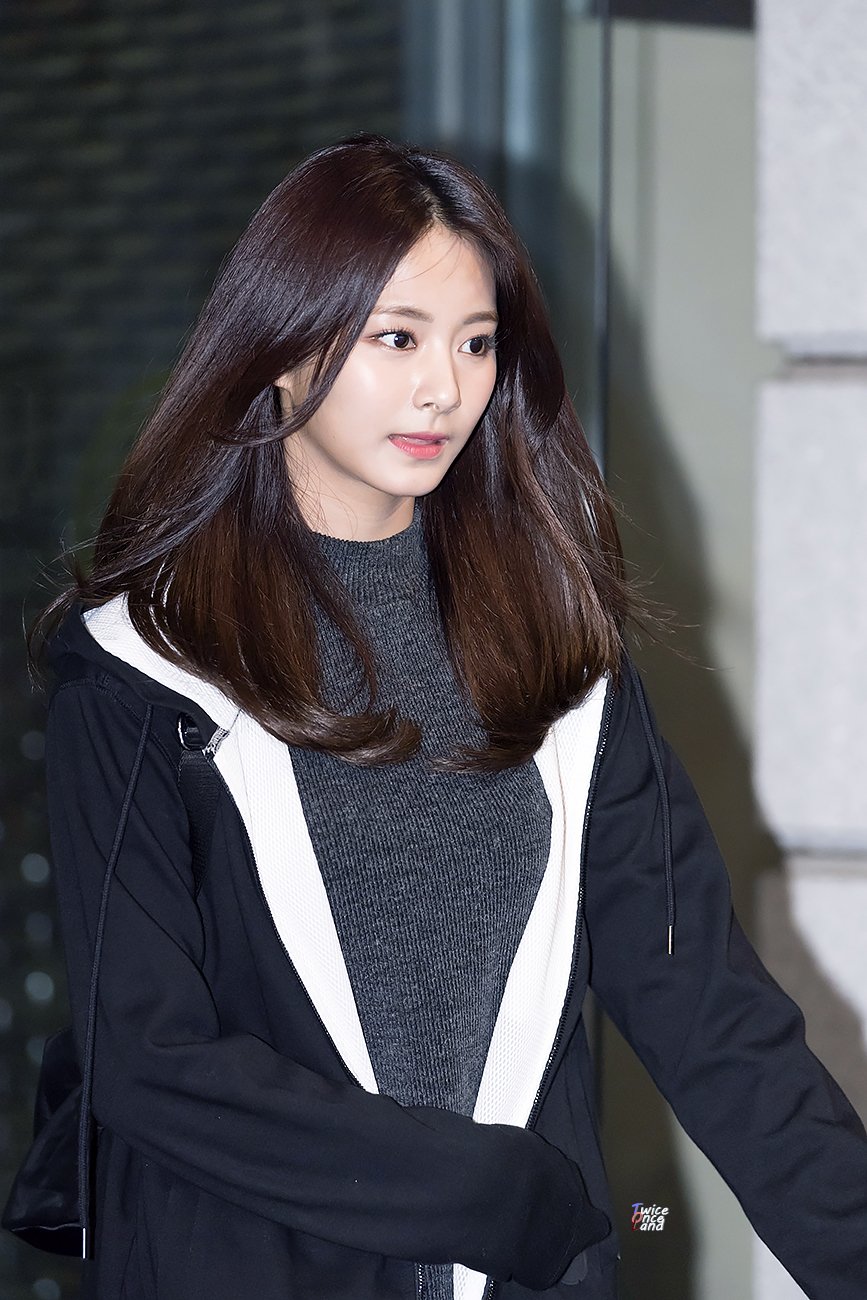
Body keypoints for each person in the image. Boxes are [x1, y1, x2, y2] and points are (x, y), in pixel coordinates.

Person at [26, 132, 867, 1300]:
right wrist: (484, 1192)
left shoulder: (557, 657)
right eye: (398, 338)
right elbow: (150, 1059)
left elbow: (708, 1009)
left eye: (476, 343)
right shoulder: (147, 663)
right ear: (281, 348)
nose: (445, 387)